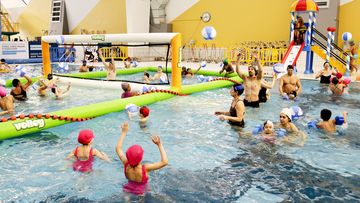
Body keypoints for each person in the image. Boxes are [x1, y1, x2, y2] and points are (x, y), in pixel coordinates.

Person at [115, 122, 168, 195]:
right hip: (141, 190)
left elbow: (118, 148)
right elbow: (165, 162)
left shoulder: (125, 163)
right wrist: (159, 145)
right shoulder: (145, 168)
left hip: (128, 188)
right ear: (141, 158)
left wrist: (124, 132)